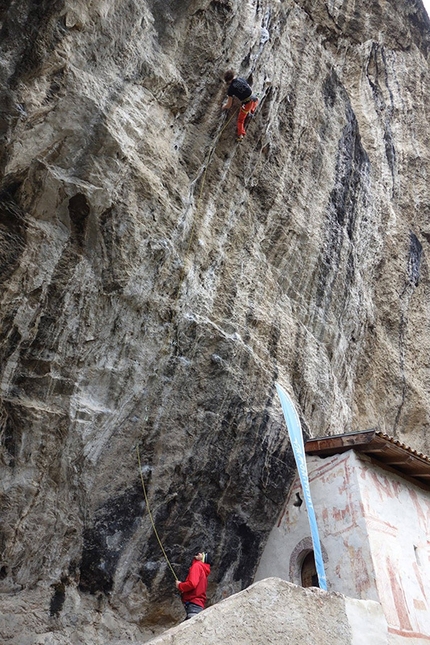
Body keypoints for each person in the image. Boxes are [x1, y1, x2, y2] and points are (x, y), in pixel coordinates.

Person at [221, 70, 259, 141]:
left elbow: (229, 105)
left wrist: (223, 107)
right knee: (253, 103)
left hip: (247, 104)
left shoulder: (230, 89)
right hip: (254, 99)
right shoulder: (241, 79)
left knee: (240, 120)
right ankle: (252, 110)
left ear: (227, 81)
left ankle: (240, 135)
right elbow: (247, 87)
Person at [175, 551, 212, 620]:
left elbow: (192, 583)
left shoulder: (197, 566)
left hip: (193, 605)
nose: (199, 553)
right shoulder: (203, 571)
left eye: (202, 554)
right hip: (197, 606)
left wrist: (180, 585)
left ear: (203, 558)